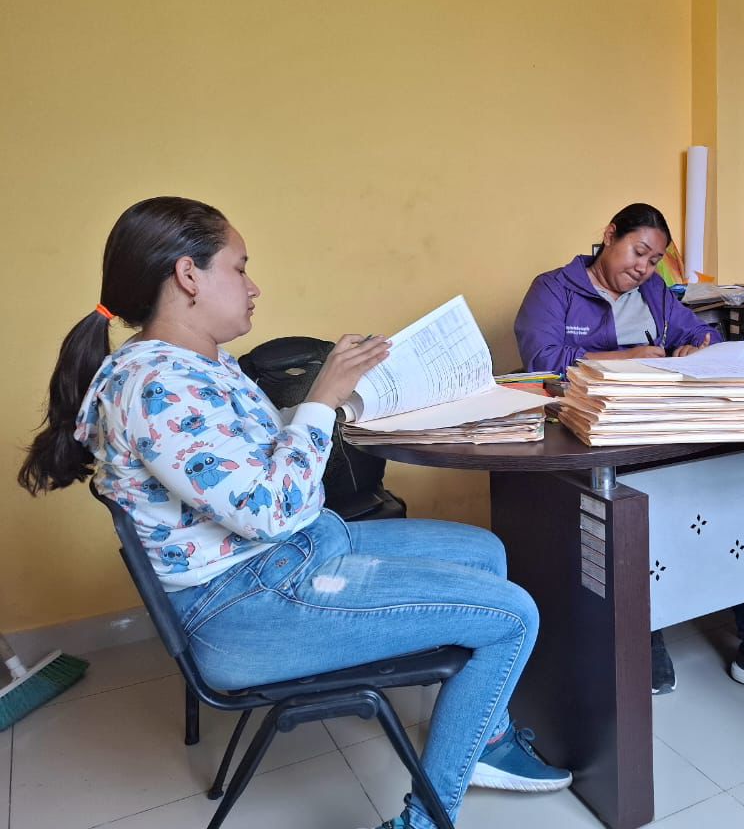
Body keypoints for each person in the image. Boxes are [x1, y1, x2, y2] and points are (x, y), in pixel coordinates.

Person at [17, 197, 571, 829]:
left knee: (485, 552)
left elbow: (247, 458)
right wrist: (321, 400)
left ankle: (482, 740)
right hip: (247, 605)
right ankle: (423, 819)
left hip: (293, 555)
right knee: (513, 615)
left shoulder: (196, 364)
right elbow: (271, 510)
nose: (253, 287)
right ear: (188, 276)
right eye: (239, 268)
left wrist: (347, 404)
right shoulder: (156, 388)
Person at [515, 202, 744, 703]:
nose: (643, 268)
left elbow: (701, 333)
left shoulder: (655, 293)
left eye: (653, 260)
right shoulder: (554, 289)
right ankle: (644, 630)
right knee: (639, 516)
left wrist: (697, 346)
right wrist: (628, 358)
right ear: (610, 235)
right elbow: (543, 362)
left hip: (665, 427)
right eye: (637, 251)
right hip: (594, 438)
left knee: (732, 501)